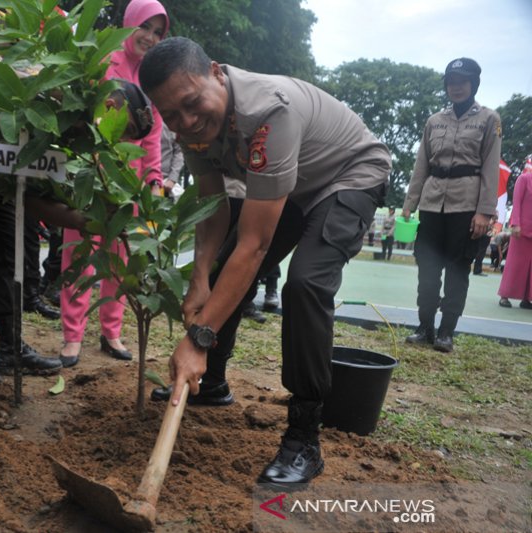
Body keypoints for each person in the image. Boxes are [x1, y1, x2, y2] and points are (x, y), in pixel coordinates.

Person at [140, 37, 390, 488]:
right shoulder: (191, 130)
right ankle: (212, 384)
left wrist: (197, 339)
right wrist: (199, 279)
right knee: (220, 276)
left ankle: (304, 437)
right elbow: (213, 208)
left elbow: (254, 246)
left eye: (193, 103)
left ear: (216, 73)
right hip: (294, 185)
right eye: (171, 115)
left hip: (347, 174)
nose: (187, 121)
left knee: (305, 284)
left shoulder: (269, 112)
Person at [58, 0, 168, 367]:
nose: (150, 37)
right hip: (92, 172)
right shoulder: (103, 61)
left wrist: (153, 178)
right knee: (79, 253)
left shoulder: (154, 79)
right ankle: (72, 336)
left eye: (158, 32)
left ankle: (112, 332)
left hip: (130, 183)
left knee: (122, 256)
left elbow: (152, 137)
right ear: (130, 23)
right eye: (145, 27)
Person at [402, 58, 501, 353]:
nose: (456, 87)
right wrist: (411, 202)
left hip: (466, 207)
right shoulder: (434, 121)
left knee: (458, 270)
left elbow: (490, 168)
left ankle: (447, 331)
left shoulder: (489, 119)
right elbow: (422, 164)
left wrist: (484, 211)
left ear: (473, 84)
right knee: (428, 269)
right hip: (433, 203)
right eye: (451, 81)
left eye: (462, 81)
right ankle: (425, 327)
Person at [498, 171, 532, 308]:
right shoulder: (524, 179)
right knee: (515, 264)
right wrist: (515, 224)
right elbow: (516, 203)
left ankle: (527, 299)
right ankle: (504, 296)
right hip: (521, 230)